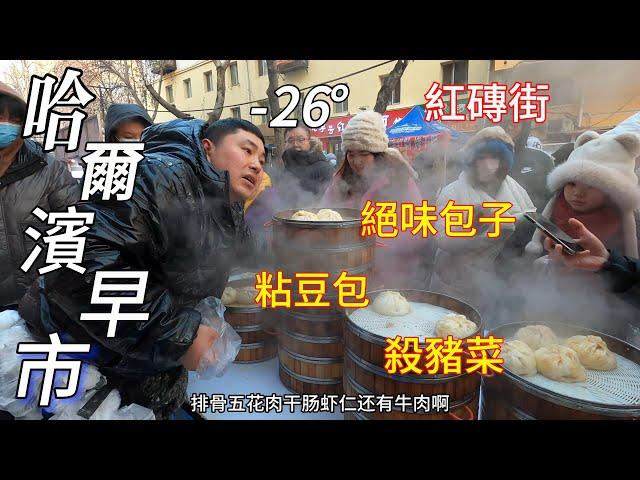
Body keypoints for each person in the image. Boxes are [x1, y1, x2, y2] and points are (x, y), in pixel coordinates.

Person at [19, 117, 266, 418]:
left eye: (262, 159)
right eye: (247, 150)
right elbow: (78, 265)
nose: (256, 164)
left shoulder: (224, 202)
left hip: (142, 353)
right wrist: (179, 332)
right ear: (208, 147)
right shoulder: (153, 174)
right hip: (83, 352)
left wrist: (300, 246)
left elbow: (246, 247)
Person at [523, 129, 640, 338]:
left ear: (613, 190)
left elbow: (633, 280)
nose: (578, 192)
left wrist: (609, 265)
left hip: (604, 323)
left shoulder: (629, 224)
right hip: (546, 311)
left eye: (592, 185)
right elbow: (514, 263)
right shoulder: (546, 212)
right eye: (571, 183)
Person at [429, 126, 535, 314]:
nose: (488, 165)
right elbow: (441, 239)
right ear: (471, 161)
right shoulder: (453, 192)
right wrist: (471, 228)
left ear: (505, 162)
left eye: (495, 158)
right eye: (481, 158)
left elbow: (531, 221)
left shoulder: (516, 190)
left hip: (494, 282)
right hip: (454, 280)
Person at [321, 110, 425, 289]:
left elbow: (418, 232)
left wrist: (370, 243)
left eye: (363, 153)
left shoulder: (400, 183)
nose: (356, 160)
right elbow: (322, 215)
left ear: (377, 153)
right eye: (351, 154)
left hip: (390, 279)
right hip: (345, 274)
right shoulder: (340, 182)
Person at [0, 81, 80, 311]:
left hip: (38, 305)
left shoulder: (48, 168)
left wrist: (48, 293)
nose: (6, 125)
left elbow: (75, 231)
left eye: (14, 119)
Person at [501, 116, 555, 211]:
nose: (509, 128)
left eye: (514, 124)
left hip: (533, 221)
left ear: (524, 126)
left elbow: (551, 199)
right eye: (504, 123)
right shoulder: (480, 160)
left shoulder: (542, 159)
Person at [279, 125, 333, 206]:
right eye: (290, 140)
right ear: (285, 143)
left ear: (309, 142)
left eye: (301, 139)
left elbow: (331, 202)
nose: (295, 144)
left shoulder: (324, 168)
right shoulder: (285, 170)